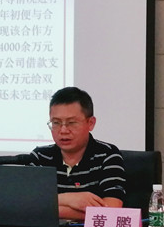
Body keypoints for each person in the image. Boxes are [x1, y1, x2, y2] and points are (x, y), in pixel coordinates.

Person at [30, 87, 126, 220]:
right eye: (56, 123)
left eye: (71, 123)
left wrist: (48, 206)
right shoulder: (40, 157)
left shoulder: (108, 155)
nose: (63, 130)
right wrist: (68, 199)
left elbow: (111, 210)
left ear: (91, 123)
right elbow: (27, 204)